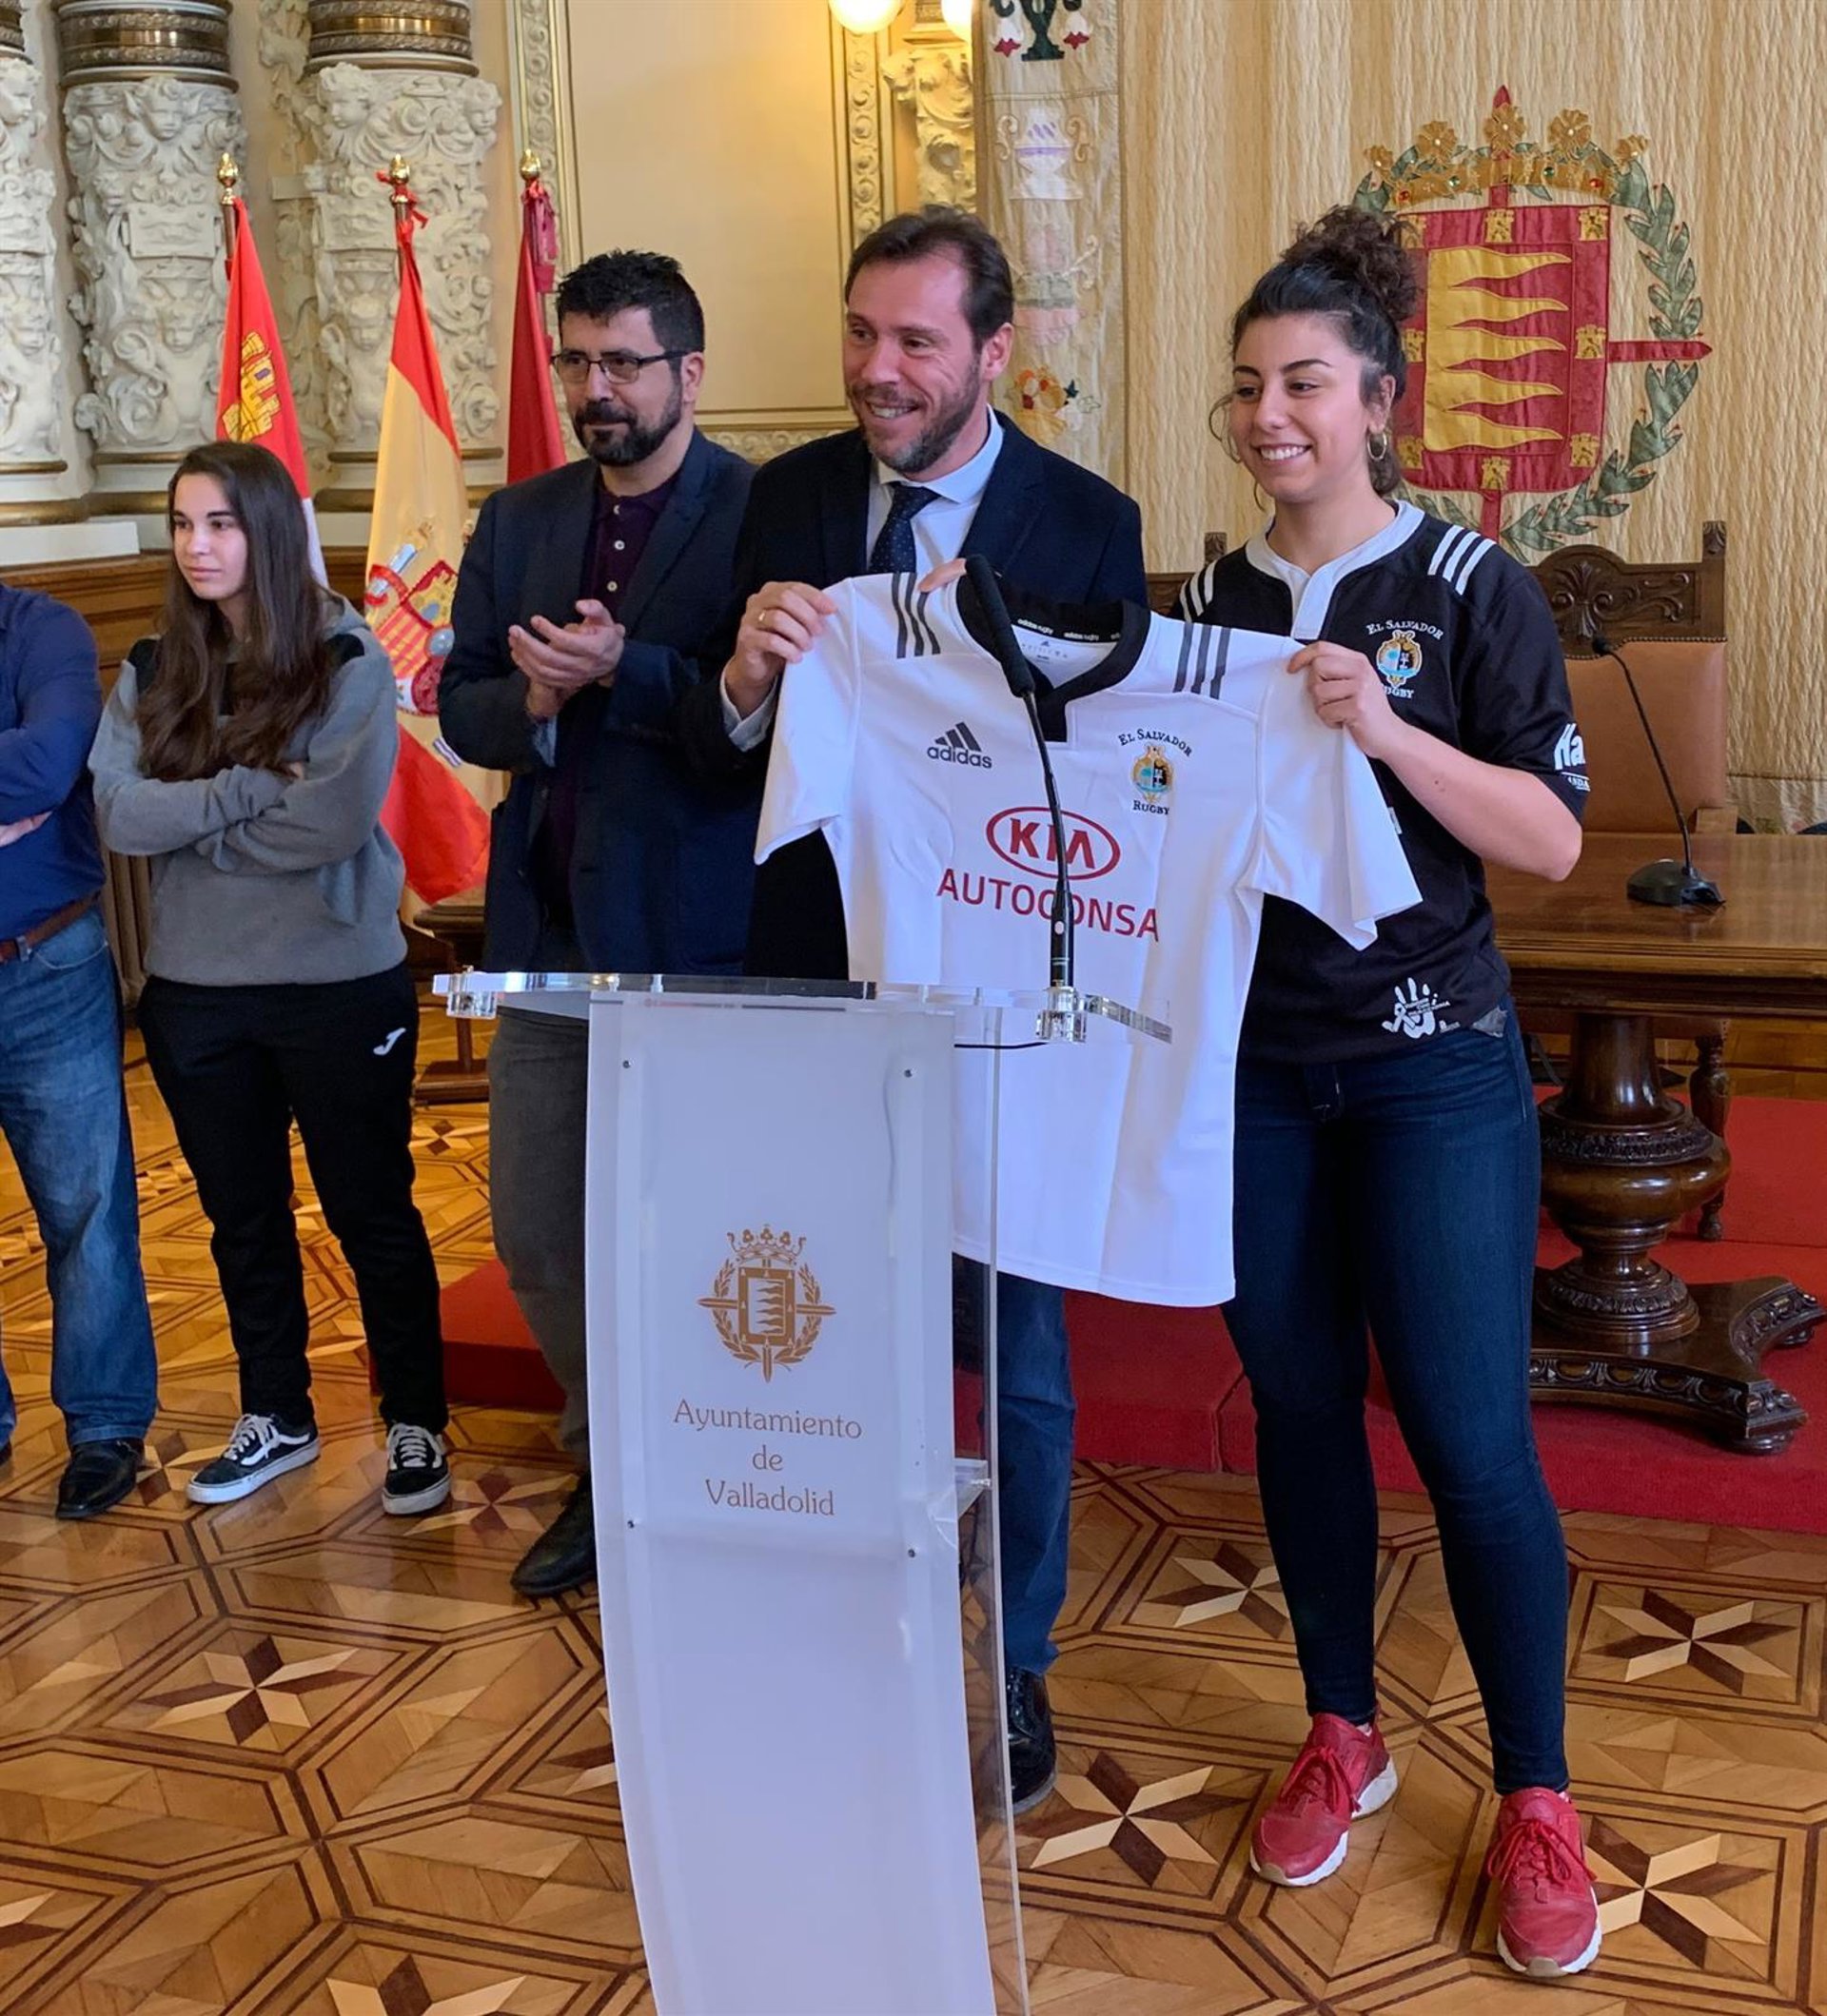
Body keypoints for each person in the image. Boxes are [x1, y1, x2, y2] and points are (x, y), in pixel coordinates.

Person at [678, 206, 1148, 1813]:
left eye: (917, 342)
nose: (879, 369)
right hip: (817, 985)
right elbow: (730, 750)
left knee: (1012, 1348)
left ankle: (1014, 1656)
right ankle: (847, 1624)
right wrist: (747, 676)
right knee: (833, 1322)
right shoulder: (791, 497)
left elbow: (1101, 786)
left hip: (994, 998)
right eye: (861, 334)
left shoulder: (1088, 521)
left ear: (994, 353)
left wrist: (989, 666)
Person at [1177, 207, 1599, 1980]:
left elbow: (1551, 839)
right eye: (1249, 385)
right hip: (1258, 1076)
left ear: (1378, 398)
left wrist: (1390, 728)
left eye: (1305, 383)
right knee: (1295, 1404)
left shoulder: (1472, 585)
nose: (1270, 413)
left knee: (1468, 1432)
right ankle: (1341, 1724)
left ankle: (1539, 1793)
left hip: (1435, 1071)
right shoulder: (1207, 607)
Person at [440, 249, 754, 1599]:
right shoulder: (518, 518)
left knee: (701, 1230)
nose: (595, 388)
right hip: (548, 930)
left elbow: (768, 716)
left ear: (690, 371)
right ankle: (613, 1464)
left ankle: (721, 1459)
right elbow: (459, 700)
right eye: (576, 360)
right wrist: (537, 702)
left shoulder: (760, 510)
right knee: (539, 1233)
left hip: (701, 936)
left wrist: (625, 671)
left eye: (623, 361)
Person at [89, 440, 451, 1516]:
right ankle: (278, 1413)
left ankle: (417, 1420)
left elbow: (330, 823)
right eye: (182, 524)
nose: (196, 546)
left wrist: (192, 819)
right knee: (242, 1219)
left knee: (370, 1210)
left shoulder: (345, 659)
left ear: (271, 532)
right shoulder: (153, 665)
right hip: (197, 993)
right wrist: (248, 788)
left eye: (221, 524)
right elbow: (120, 814)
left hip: (336, 984)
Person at [0, 578, 158, 1518]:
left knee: (87, 1207)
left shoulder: (43, 630)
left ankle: (105, 1424)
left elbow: (49, 763)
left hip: (46, 966)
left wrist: (23, 776)